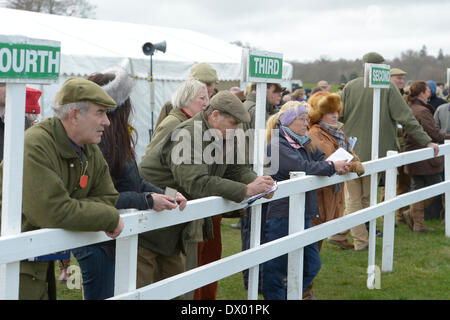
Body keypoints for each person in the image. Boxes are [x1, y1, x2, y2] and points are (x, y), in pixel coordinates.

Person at [139, 90, 275, 300]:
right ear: (214, 116)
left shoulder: (224, 134)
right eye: (233, 122)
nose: (236, 129)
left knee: (177, 292)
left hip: (173, 223)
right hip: (147, 226)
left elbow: (236, 169)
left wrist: (258, 183)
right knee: (143, 291)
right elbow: (196, 183)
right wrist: (246, 190)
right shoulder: (188, 134)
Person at [0, 78, 124, 300]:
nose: (107, 122)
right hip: (11, 266)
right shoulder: (35, 145)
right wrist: (109, 217)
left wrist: (73, 209)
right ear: (75, 115)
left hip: (38, 264)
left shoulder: (89, 150)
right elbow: (51, 211)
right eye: (100, 113)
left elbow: (108, 196)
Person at [68, 67, 187, 300]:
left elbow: (136, 182)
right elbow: (101, 196)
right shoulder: (95, 143)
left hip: (116, 236)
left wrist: (169, 194)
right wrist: (148, 200)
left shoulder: (118, 139)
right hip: (97, 239)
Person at [340, 52, 438, 250]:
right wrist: (426, 141)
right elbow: (406, 118)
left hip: (351, 149)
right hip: (375, 152)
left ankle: (340, 233)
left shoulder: (351, 86)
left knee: (358, 197)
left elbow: (342, 117)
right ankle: (361, 241)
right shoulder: (388, 86)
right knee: (361, 198)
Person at [262, 101, 350, 300]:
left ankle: (288, 295)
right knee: (276, 267)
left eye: (306, 119)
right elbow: (302, 167)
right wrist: (331, 166)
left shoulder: (304, 142)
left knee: (312, 263)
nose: (306, 123)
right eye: (302, 119)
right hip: (282, 213)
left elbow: (319, 161)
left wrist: (338, 164)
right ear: (288, 121)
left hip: (303, 211)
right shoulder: (276, 145)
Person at [141, 78, 210, 299]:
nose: (206, 103)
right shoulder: (174, 123)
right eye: (202, 98)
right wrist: (170, 194)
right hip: (158, 219)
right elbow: (149, 167)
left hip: (171, 219)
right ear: (187, 99)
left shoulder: (192, 124)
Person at [308, 91, 365, 249]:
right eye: (329, 112)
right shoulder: (316, 134)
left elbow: (345, 152)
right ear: (319, 114)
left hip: (331, 191)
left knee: (317, 237)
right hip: (320, 192)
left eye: (336, 111)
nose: (334, 115)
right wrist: (354, 165)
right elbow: (331, 160)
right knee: (314, 237)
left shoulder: (336, 132)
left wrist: (353, 157)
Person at [402, 81, 450, 232]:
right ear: (422, 93)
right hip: (424, 156)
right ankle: (414, 218)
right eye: (428, 90)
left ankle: (417, 224)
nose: (430, 92)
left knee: (418, 189)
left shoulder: (413, 108)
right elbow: (434, 133)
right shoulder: (422, 111)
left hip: (415, 155)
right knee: (439, 188)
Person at [154, 62, 218, 129]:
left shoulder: (219, 107)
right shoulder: (173, 105)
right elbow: (159, 133)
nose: (204, 87)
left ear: (215, 84)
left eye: (208, 84)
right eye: (199, 83)